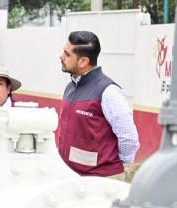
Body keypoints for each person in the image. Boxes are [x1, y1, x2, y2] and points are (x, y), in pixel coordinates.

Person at [58, 30, 140, 178]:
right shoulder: (70, 87)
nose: (61, 57)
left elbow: (128, 137)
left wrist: (118, 167)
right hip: (72, 177)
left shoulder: (109, 92)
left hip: (102, 181)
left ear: (83, 61)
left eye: (67, 54)